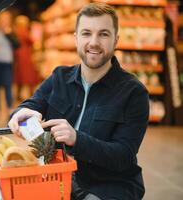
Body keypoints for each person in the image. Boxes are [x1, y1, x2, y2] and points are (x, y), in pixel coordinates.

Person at [8, 3, 149, 200]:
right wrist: (21, 113)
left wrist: (77, 139)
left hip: (105, 187)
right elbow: (32, 105)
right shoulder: (59, 77)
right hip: (56, 179)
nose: (94, 42)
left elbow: (123, 156)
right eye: (86, 33)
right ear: (76, 39)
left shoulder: (134, 93)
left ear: (116, 40)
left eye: (103, 34)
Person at [13, 15, 40, 100]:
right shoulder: (23, 31)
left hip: (18, 55)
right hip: (25, 56)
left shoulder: (15, 31)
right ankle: (32, 94)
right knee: (29, 75)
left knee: (20, 76)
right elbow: (31, 40)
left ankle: (18, 95)